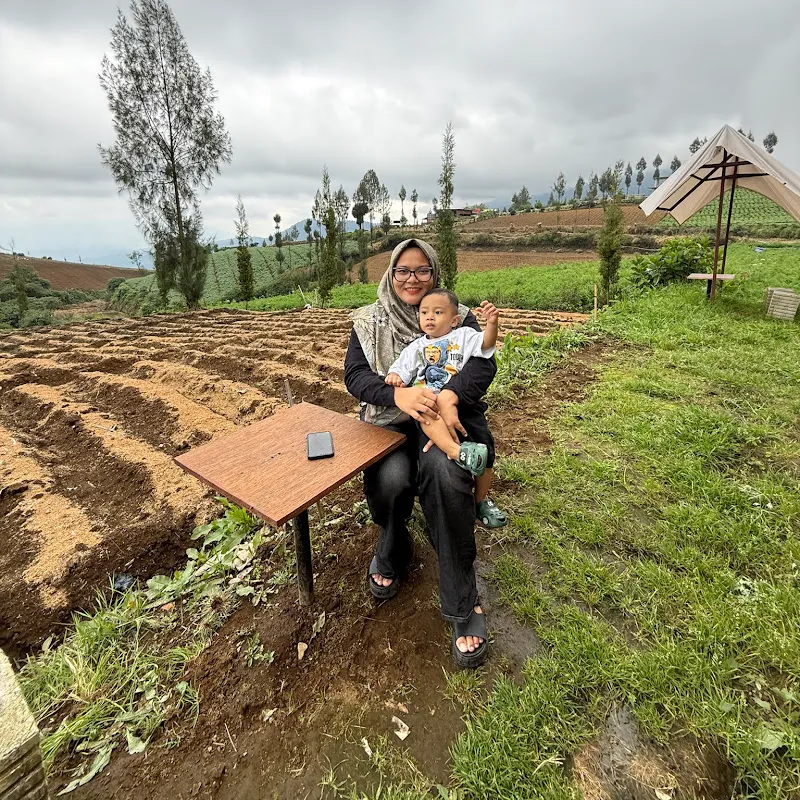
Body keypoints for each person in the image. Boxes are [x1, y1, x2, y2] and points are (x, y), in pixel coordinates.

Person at [344, 238, 505, 668]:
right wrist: (397, 396)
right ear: (390, 274)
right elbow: (355, 376)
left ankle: (461, 597)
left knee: (447, 475)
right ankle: (394, 541)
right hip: (392, 420)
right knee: (391, 480)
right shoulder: (369, 321)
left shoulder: (458, 316)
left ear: (434, 273)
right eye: (403, 270)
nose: (412, 279)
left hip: (445, 417)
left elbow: (483, 363)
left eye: (422, 270)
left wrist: (450, 395)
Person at [383, 288, 501, 495]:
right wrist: (395, 376)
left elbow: (486, 344)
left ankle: (481, 500)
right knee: (425, 416)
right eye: (424, 312)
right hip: (431, 403)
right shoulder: (415, 347)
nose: (430, 317)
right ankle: (456, 452)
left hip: (463, 404)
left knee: (484, 447)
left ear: (454, 320)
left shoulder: (464, 336)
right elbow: (401, 368)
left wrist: (492, 324)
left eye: (438, 312)